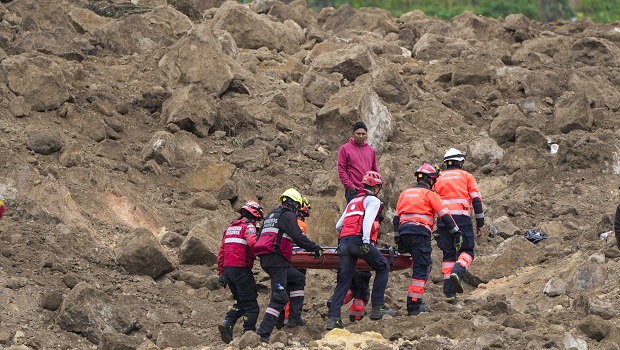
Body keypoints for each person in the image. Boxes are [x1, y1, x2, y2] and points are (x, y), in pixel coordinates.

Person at [326, 171, 395, 330]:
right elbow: (368, 220)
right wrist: (365, 241)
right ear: (376, 187)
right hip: (359, 241)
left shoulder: (353, 201)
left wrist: (346, 239)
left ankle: (334, 319)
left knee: (344, 281)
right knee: (383, 266)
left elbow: (338, 225)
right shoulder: (373, 200)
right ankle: (378, 307)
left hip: (344, 242)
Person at [253, 188, 324, 343]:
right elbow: (297, 236)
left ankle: (294, 317)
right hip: (277, 260)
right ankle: (263, 334)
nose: (298, 210)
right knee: (279, 297)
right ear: (293, 203)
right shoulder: (287, 215)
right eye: (297, 206)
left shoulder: (272, 215)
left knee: (297, 278)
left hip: (269, 259)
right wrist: (315, 248)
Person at [393, 163, 461, 316]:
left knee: (425, 265)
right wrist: (456, 232)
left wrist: (399, 241)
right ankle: (414, 306)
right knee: (421, 269)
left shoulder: (405, 193)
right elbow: (444, 215)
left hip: (404, 233)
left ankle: (417, 300)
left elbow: (396, 219)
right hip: (420, 234)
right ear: (430, 180)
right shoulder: (430, 194)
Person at [434, 148, 485, 303]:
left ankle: (449, 291)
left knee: (448, 254)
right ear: (460, 162)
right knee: (467, 250)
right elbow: (476, 200)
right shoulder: (467, 176)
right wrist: (480, 223)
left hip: (443, 221)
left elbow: (432, 202)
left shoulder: (438, 178)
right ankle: (458, 271)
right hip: (462, 219)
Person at [326, 201, 385, 322]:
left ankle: (335, 312)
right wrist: (365, 243)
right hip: (362, 257)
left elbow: (339, 226)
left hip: (345, 247)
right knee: (364, 286)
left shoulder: (353, 212)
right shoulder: (373, 221)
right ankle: (369, 311)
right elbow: (369, 240)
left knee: (347, 284)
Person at [217, 200, 265, 344]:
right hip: (241, 271)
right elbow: (252, 243)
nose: (256, 223)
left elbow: (221, 252)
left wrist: (221, 273)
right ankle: (248, 335)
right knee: (252, 306)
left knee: (242, 302)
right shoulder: (249, 227)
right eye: (257, 220)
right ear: (254, 215)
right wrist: (264, 252)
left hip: (227, 271)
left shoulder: (230, 228)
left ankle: (228, 321)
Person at [280, 197, 311, 328]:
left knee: (284, 288)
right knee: (296, 287)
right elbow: (300, 242)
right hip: (297, 260)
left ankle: (282, 318)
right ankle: (292, 317)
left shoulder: (282, 220)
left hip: (283, 260)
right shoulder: (300, 224)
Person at [338, 121, 379, 203]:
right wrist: (350, 186)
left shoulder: (371, 150)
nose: (361, 136)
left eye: (363, 134)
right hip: (353, 191)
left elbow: (375, 170)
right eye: (358, 133)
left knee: (368, 215)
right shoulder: (344, 149)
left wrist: (376, 187)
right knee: (354, 215)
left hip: (368, 191)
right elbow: (341, 169)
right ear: (353, 134)